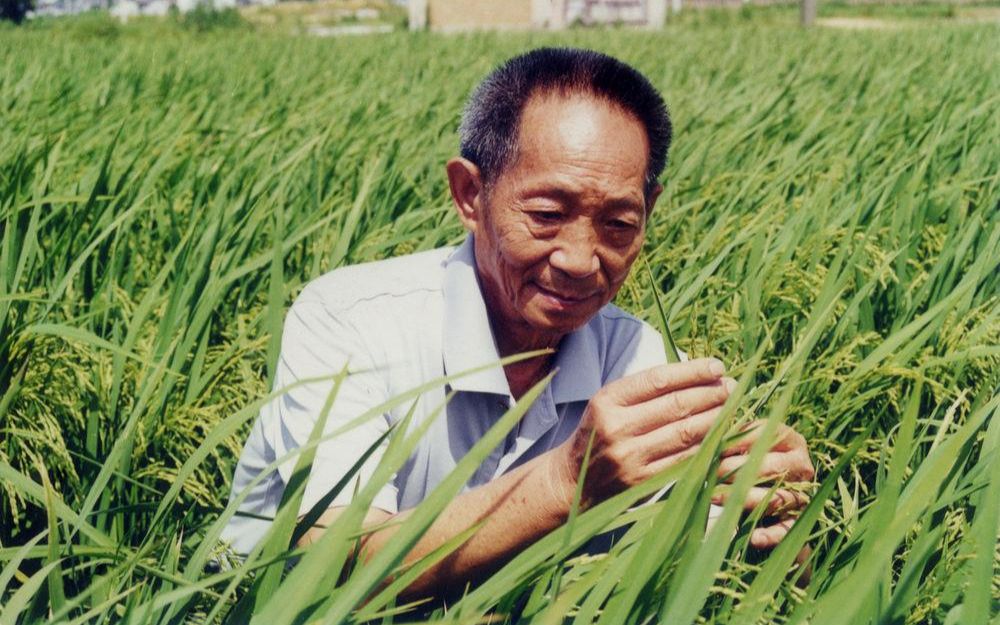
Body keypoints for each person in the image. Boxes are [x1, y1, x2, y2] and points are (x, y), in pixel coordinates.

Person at [222, 47, 814, 598]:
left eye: (618, 225)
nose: (581, 261)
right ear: (469, 194)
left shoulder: (635, 356)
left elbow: (698, 562)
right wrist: (567, 483)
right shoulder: (348, 321)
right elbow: (333, 561)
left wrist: (775, 521)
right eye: (547, 215)